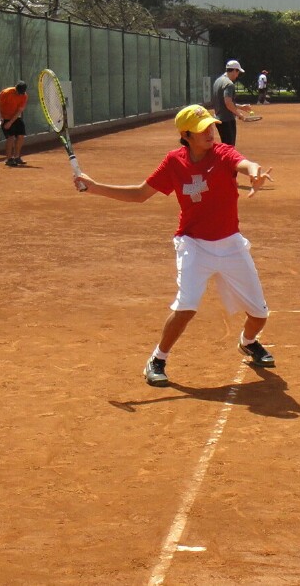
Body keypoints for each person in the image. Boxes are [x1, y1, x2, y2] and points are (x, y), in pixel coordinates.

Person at [73, 104, 274, 387]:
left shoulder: (222, 153)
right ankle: (157, 359)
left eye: (212, 126)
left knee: (259, 315)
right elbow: (140, 194)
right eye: (203, 129)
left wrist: (255, 173)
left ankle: (248, 342)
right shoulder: (173, 162)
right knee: (187, 305)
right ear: (186, 134)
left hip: (230, 244)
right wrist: (94, 187)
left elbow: (245, 164)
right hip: (194, 245)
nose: (211, 132)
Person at [211, 59, 254, 145]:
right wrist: (239, 114)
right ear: (234, 70)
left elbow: (223, 101)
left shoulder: (218, 81)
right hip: (227, 120)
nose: (237, 75)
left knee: (225, 147)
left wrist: (240, 106)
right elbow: (228, 103)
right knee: (229, 148)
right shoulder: (229, 84)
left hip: (218, 119)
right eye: (238, 72)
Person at [0, 80, 28, 166]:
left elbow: (19, 111)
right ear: (15, 88)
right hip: (5, 117)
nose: (20, 94)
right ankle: (8, 159)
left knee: (20, 136)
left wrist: (10, 122)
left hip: (15, 117)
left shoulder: (24, 96)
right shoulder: (6, 92)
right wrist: (0, 116)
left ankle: (17, 157)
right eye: (18, 92)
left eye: (22, 92)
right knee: (11, 137)